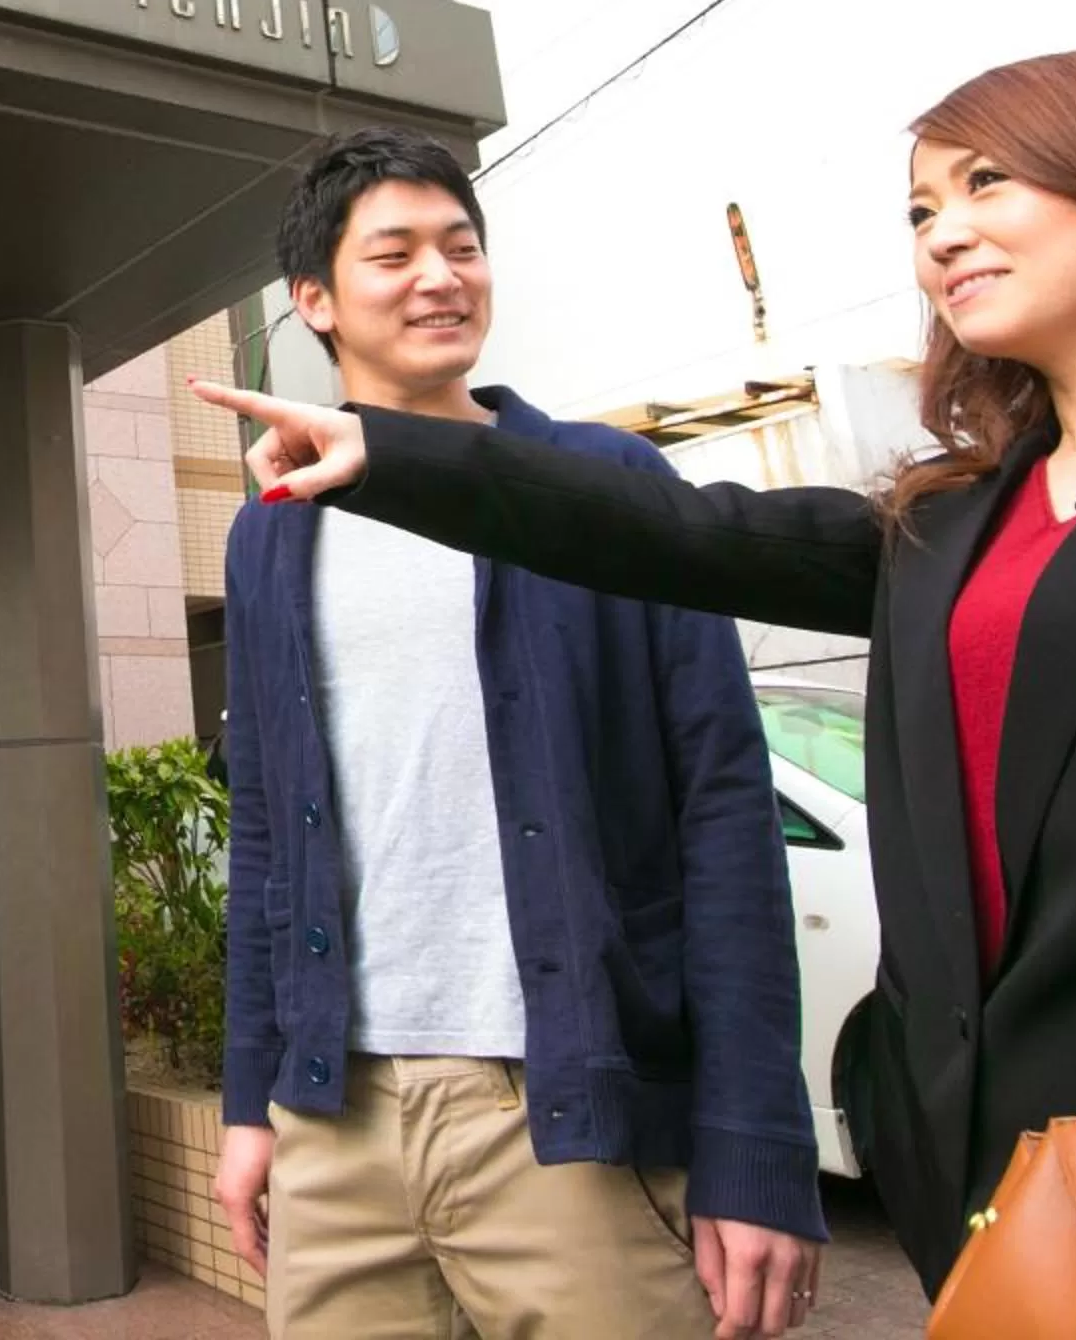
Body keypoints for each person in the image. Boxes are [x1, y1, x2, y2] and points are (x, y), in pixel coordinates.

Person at [193, 51, 1076, 1296]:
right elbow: (675, 531)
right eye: (921, 209)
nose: (942, 235)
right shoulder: (959, 519)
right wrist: (387, 456)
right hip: (1004, 1191)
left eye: (986, 182)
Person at [212, 128, 826, 1340]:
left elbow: (724, 809)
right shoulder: (272, 527)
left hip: (567, 1119)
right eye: (395, 253)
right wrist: (250, 1100)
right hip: (336, 1123)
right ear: (314, 298)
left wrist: (754, 1143)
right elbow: (265, 837)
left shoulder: (605, 483)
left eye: (462, 246)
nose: (441, 276)